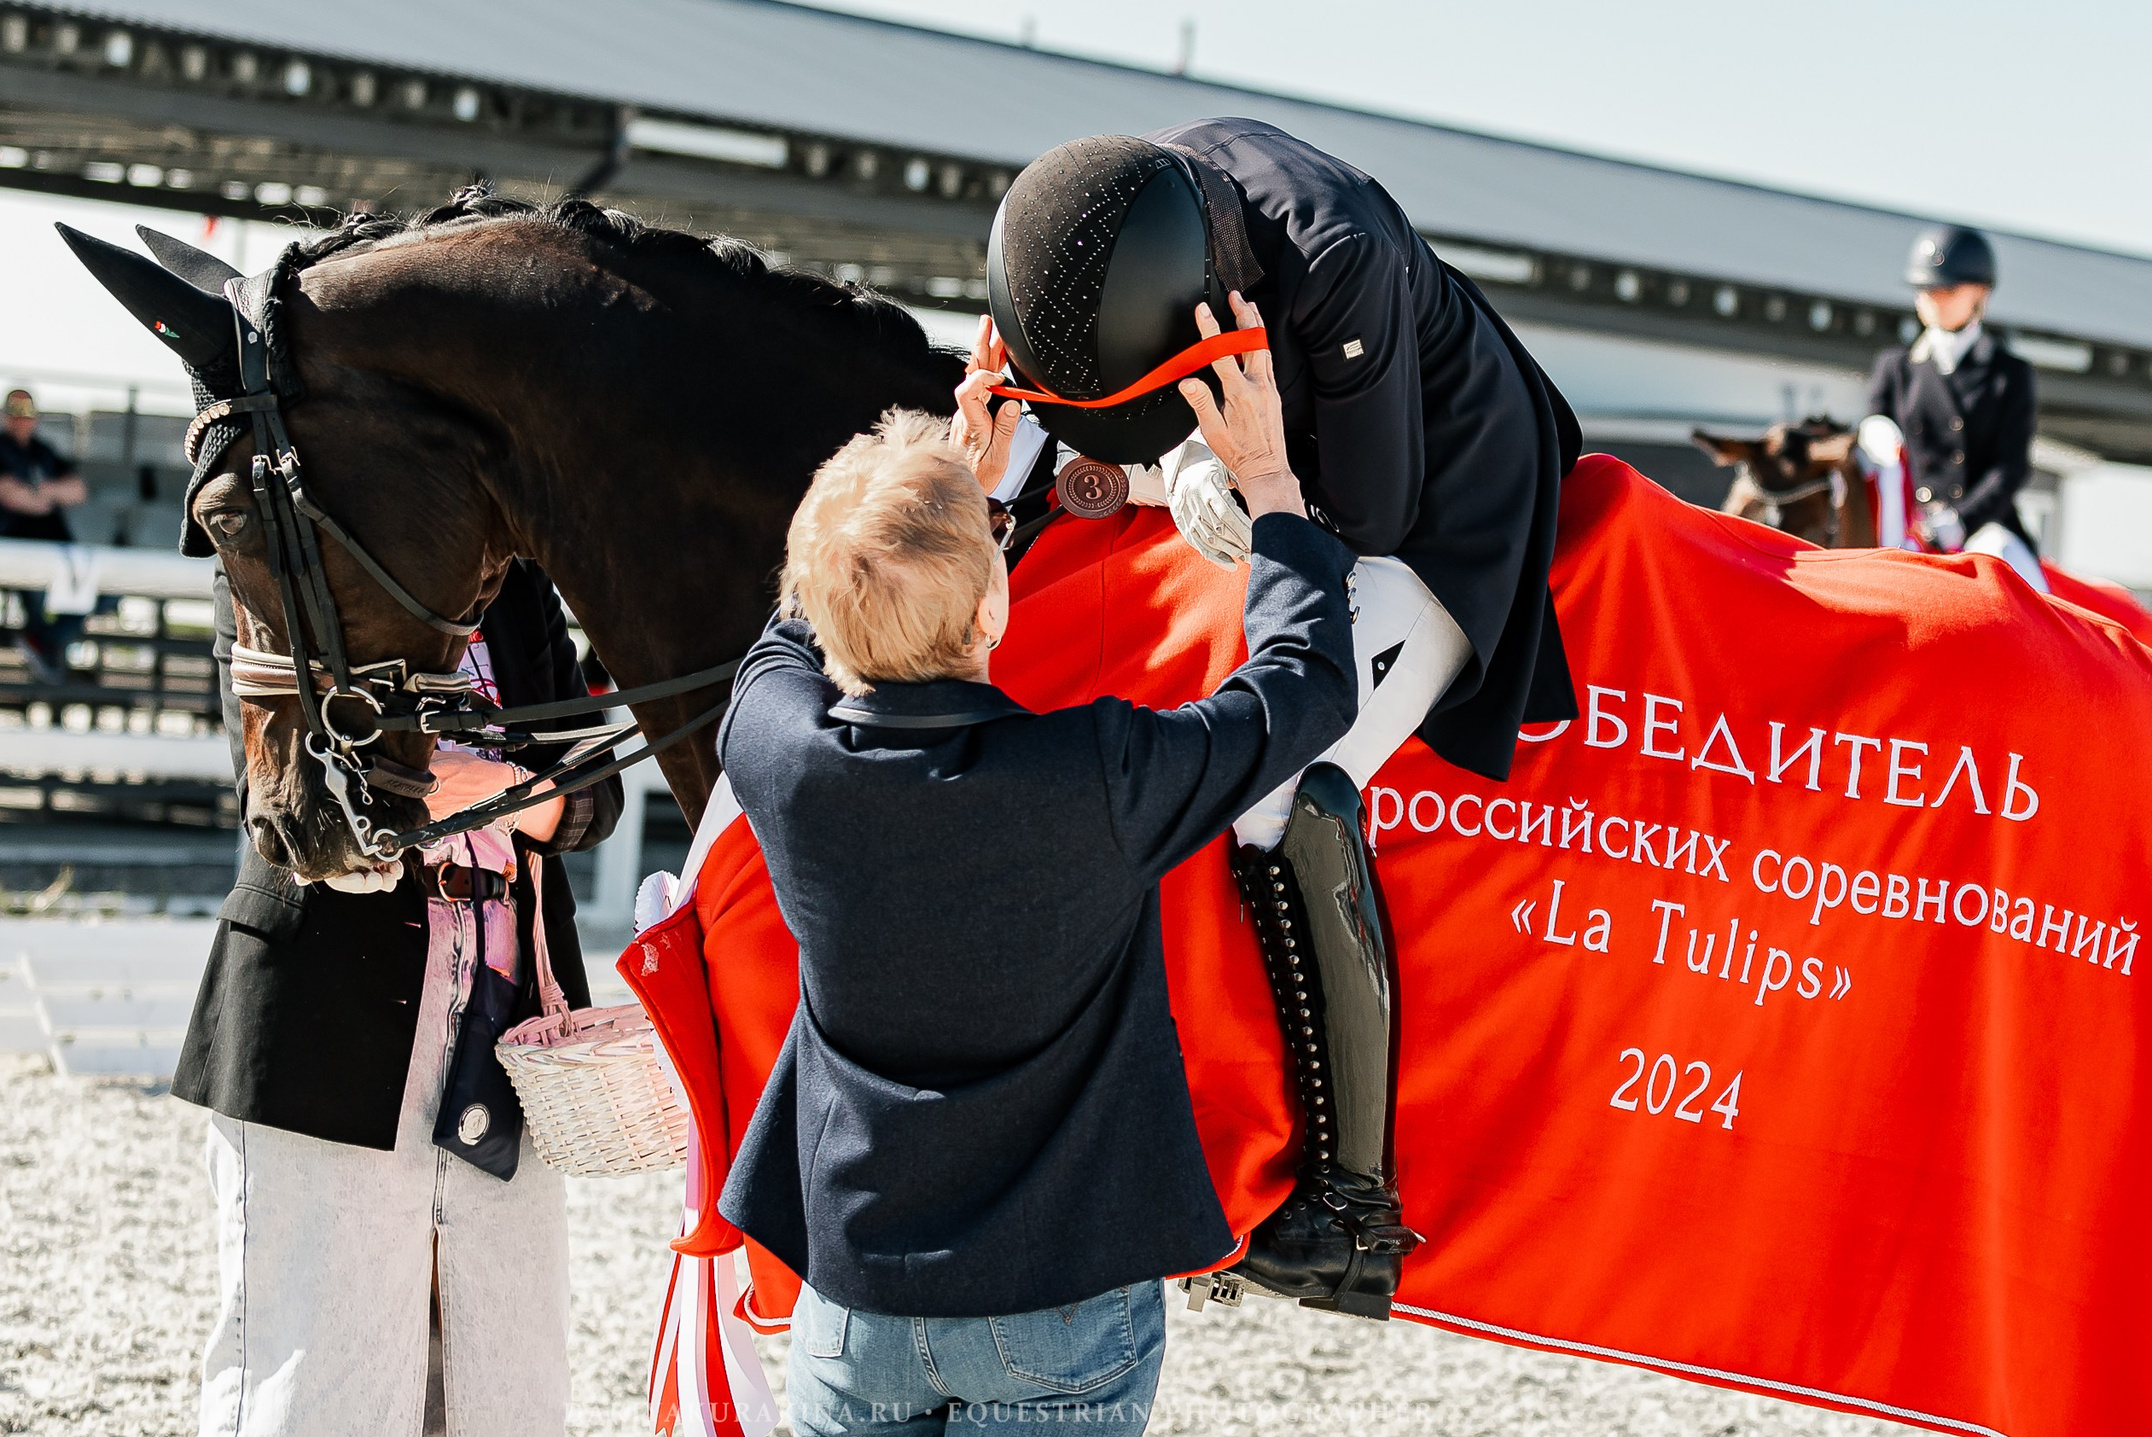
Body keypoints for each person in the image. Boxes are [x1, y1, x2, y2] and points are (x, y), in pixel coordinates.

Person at [716, 299, 1359, 1434]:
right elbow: (1305, 685)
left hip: (852, 1297)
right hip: (1057, 1301)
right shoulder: (1095, 771)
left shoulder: (778, 757)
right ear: (994, 609)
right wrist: (1268, 485)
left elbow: (784, 640)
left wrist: (964, 495)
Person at [974, 119, 1580, 1312]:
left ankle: (1355, 1208)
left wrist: (1214, 468)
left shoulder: (1333, 253)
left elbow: (1366, 509)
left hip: (1442, 499)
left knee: (1277, 785)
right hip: (1275, 448)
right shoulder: (1121, 213)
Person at [180, 556, 621, 1437]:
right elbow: (275, 796)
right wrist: (425, 793)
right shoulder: (276, 559)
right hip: (325, 1014)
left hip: (510, 1017)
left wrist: (489, 789)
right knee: (315, 1378)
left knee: (501, 1382)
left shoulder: (521, 588)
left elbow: (593, 795)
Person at [1866, 225, 2044, 590]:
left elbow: (2011, 467)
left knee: (2015, 581)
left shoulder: (2008, 375)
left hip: (1982, 527)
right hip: (1905, 525)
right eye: (1924, 290)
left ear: (1980, 293)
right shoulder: (1896, 367)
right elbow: (1875, 428)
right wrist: (1872, 431)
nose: (1933, 299)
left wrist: (1961, 520)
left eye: (1946, 289)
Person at [0, 388, 90, 678]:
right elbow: (12, 496)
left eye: (27, 416)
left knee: (98, 593)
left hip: (56, 544)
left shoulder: (43, 451)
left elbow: (78, 490)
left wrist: (40, 491)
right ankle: (45, 656)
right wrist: (49, 494)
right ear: (5, 417)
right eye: (15, 415)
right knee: (36, 594)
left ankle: (43, 645)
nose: (22, 421)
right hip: (15, 542)